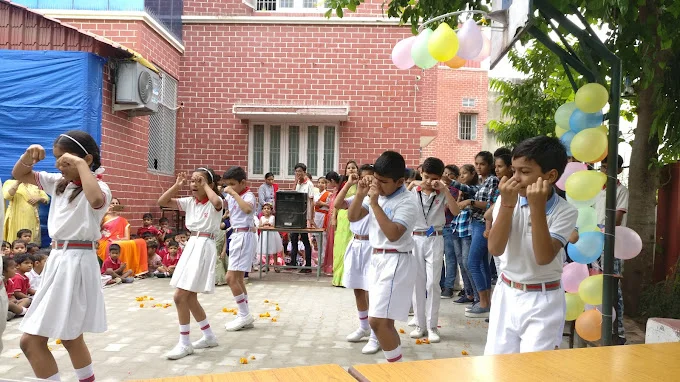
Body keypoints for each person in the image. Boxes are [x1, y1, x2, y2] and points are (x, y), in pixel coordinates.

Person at [13, 131, 111, 381]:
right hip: (59, 259)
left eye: (66, 160)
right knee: (70, 336)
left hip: (76, 262)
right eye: (57, 159)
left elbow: (97, 200)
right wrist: (28, 156)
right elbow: (19, 174)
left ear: (86, 159)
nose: (59, 165)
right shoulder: (58, 182)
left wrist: (80, 164)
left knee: (31, 341)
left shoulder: (99, 186)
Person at [486, 136, 578, 354]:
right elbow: (495, 248)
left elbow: (543, 256)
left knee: (534, 370)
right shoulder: (507, 200)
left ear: (550, 175)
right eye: (514, 170)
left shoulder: (565, 211)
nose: (515, 178)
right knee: (496, 365)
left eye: (525, 172)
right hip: (507, 293)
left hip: (543, 299)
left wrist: (537, 209)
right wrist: (507, 204)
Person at [347, 151, 419, 363]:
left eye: (383, 182)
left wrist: (375, 203)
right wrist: (361, 194)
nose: (377, 185)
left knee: (377, 322)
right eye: (376, 180)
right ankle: (397, 369)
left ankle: (397, 371)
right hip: (377, 259)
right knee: (383, 323)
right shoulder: (380, 194)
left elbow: (394, 234)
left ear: (400, 181)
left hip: (396, 259)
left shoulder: (407, 201)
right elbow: (352, 216)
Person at [159, 168, 223, 360]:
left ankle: (185, 343)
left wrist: (207, 186)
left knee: (180, 296)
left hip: (204, 245)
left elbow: (218, 202)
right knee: (189, 297)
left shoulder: (215, 202)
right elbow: (162, 202)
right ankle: (209, 335)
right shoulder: (189, 202)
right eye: (192, 181)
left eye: (199, 181)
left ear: (209, 184)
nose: (194, 185)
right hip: (191, 245)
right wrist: (177, 185)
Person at [409, 158, 460, 344]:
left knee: (432, 284)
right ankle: (419, 325)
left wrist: (445, 190)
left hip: (435, 238)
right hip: (415, 238)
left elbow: (455, 212)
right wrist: (413, 184)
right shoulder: (413, 191)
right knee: (417, 283)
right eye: (426, 176)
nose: (430, 181)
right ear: (421, 172)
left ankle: (432, 326)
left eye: (434, 178)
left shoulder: (442, 193)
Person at [336, 164, 381, 353]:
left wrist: (370, 193)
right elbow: (338, 205)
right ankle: (364, 327)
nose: (367, 181)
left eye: (371, 177)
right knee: (358, 289)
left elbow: (357, 214)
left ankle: (376, 335)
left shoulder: (377, 200)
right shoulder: (357, 197)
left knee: (372, 291)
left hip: (372, 246)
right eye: (364, 177)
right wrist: (349, 184)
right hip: (356, 245)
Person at [450, 151, 499, 318]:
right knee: (481, 264)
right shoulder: (483, 181)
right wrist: (450, 183)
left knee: (472, 262)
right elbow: (470, 188)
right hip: (476, 222)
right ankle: (484, 301)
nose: (479, 166)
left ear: (490, 165)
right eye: (476, 163)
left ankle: (484, 302)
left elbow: (491, 205)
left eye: (482, 164)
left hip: (482, 223)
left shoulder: (493, 180)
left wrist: (470, 202)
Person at [595, 154, 629, 345]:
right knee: (594, 286)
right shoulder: (595, 190)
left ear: (619, 171)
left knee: (613, 289)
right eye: (603, 167)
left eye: (610, 168)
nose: (605, 171)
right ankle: (598, 325)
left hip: (611, 245)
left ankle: (618, 331)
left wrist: (598, 228)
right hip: (593, 243)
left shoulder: (621, 191)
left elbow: (615, 221)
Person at [221, 166, 258, 332]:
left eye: (233, 184)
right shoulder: (231, 195)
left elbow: (248, 209)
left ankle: (244, 314)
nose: (229, 188)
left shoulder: (248, 195)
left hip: (244, 235)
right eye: (227, 184)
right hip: (235, 235)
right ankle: (245, 314)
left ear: (243, 183)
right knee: (239, 279)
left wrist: (234, 194)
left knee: (230, 278)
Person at [451, 164, 480, 305]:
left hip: (467, 229)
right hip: (457, 227)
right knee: (461, 263)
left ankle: (477, 295)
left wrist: (449, 182)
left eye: (464, 173)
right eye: (460, 174)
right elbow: (456, 208)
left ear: (473, 174)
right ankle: (468, 293)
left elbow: (467, 188)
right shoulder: (461, 192)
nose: (461, 176)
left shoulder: (476, 189)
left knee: (469, 263)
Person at [485, 148, 514, 281]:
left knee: (505, 268)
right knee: (499, 267)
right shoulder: (499, 185)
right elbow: (489, 213)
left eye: (500, 166)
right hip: (496, 229)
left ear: (510, 168)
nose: (496, 169)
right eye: (495, 166)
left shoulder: (513, 187)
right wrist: (488, 228)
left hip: (509, 232)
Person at [333, 161, 359, 283]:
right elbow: (336, 203)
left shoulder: (359, 184)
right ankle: (339, 277)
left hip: (355, 214)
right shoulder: (344, 184)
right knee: (341, 244)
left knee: (350, 243)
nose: (351, 170)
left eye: (353, 168)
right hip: (342, 215)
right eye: (348, 168)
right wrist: (333, 217)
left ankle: (349, 276)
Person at [3, 178, 49, 244]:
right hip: (15, 216)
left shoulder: (35, 185)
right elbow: (7, 196)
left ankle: (30, 251)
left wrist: (40, 199)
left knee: (30, 238)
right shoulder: (9, 182)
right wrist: (18, 183)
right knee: (15, 238)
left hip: (31, 217)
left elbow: (46, 199)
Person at [440, 164, 460, 299]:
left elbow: (446, 208)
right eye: (445, 173)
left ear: (455, 178)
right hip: (434, 228)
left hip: (448, 227)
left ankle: (448, 286)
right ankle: (440, 284)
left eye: (450, 174)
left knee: (450, 258)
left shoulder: (452, 189)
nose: (446, 176)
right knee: (436, 258)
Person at [292, 163, 315, 274]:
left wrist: (310, 218)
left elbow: (311, 201)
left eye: (300, 171)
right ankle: (293, 262)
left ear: (304, 172)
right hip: (296, 215)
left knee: (305, 240)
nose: (298, 173)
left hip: (305, 215)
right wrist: (295, 182)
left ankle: (308, 265)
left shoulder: (309, 184)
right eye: (296, 171)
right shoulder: (298, 183)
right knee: (294, 238)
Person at [321, 171, 341, 275]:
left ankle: (334, 266)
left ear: (332, 181)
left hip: (336, 218)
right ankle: (329, 266)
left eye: (327, 182)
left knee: (334, 242)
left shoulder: (340, 190)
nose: (327, 185)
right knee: (330, 241)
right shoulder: (334, 190)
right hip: (330, 217)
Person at [257, 203, 284, 271]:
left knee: (274, 250)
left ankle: (275, 265)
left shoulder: (273, 217)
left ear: (271, 210)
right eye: (265, 209)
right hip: (265, 236)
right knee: (267, 250)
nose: (266, 210)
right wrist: (263, 224)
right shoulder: (262, 218)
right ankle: (267, 265)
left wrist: (269, 224)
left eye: (268, 209)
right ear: (262, 210)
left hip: (272, 235)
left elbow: (275, 226)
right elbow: (259, 226)